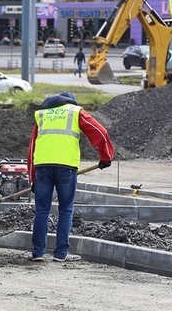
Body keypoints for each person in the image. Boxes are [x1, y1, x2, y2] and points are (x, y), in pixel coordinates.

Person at [26, 91, 114, 262]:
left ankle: (37, 253)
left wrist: (33, 178)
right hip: (66, 168)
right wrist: (106, 157)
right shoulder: (75, 112)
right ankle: (60, 254)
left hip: (42, 167)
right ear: (71, 102)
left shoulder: (42, 115)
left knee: (42, 210)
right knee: (65, 210)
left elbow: (32, 148)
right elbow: (101, 132)